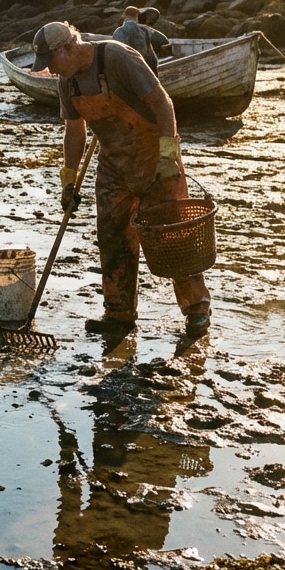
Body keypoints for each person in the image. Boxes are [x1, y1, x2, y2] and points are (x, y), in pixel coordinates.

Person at [30, 21, 211, 338]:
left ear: (68, 49)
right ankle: (119, 314)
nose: (52, 71)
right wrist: (68, 181)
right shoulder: (68, 82)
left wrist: (168, 157)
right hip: (113, 166)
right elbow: (75, 131)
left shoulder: (117, 58)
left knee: (171, 236)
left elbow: (162, 104)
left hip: (156, 159)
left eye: (52, 63)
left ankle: (196, 310)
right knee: (113, 239)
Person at [111, 6, 159, 72]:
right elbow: (162, 40)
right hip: (149, 65)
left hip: (132, 68)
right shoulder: (145, 29)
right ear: (137, 16)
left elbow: (117, 52)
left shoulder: (118, 31)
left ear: (124, 15)